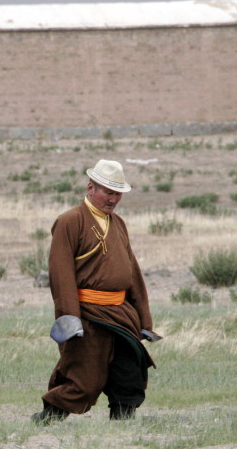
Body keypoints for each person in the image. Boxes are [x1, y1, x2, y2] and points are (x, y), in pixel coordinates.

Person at [33, 159, 159, 424]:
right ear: (91, 187)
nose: (113, 199)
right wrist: (69, 318)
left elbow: (132, 273)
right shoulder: (70, 221)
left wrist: (144, 319)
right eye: (108, 192)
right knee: (84, 377)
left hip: (122, 315)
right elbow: (61, 273)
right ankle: (47, 418)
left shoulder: (118, 223)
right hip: (88, 314)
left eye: (117, 193)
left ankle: (122, 426)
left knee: (129, 371)